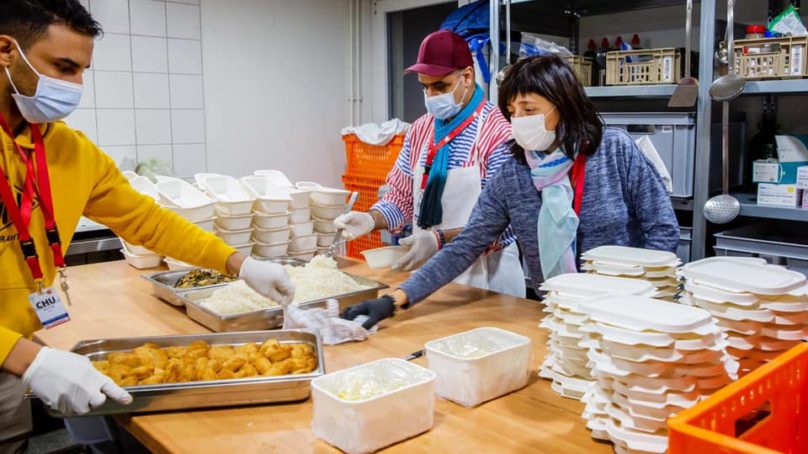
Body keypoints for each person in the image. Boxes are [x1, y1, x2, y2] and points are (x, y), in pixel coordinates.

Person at [0, 2, 294, 450]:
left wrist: (239, 263)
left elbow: (147, 221)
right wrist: (29, 360)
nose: (76, 86)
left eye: (82, 71)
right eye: (63, 67)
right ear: (6, 51)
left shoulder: (67, 150)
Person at [343, 55, 680, 329]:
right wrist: (393, 301)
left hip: (630, 314)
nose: (518, 120)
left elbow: (661, 227)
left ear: (563, 105)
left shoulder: (613, 151)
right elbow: (466, 246)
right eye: (512, 112)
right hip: (562, 313)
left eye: (529, 110)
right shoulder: (515, 175)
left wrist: (645, 299)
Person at [334, 29, 525, 298]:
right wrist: (370, 219)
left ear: (467, 76)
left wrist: (438, 240)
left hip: (487, 280)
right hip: (428, 279)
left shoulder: (498, 132)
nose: (432, 95)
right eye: (425, 86)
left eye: (441, 86)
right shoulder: (420, 130)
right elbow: (400, 198)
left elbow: (501, 225)